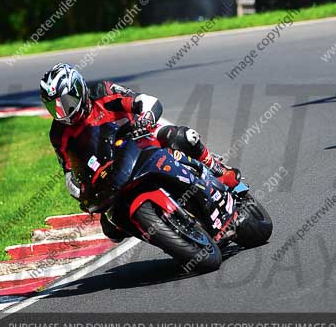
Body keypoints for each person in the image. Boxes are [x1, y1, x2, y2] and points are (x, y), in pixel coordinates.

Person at [39, 63, 240, 241]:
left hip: (142, 138)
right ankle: (171, 233)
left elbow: (145, 101)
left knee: (185, 137)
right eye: (54, 107)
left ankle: (217, 168)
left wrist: (146, 118)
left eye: (66, 102)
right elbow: (69, 171)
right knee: (111, 229)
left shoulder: (101, 91)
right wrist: (79, 190)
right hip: (112, 171)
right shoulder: (58, 133)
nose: (62, 112)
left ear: (78, 89)